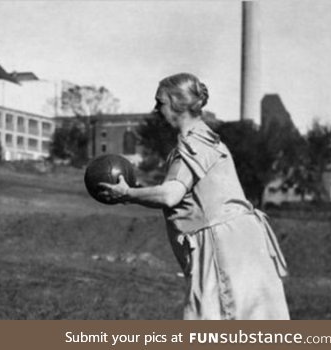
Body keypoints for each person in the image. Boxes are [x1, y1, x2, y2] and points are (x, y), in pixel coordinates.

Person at [99, 73, 290, 320]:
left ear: (178, 104)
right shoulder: (208, 139)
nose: (156, 109)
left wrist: (127, 193)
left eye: (160, 102)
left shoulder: (193, 144)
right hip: (242, 242)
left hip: (223, 246)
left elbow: (170, 195)